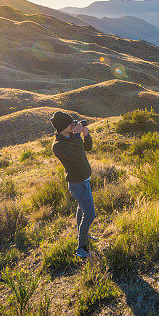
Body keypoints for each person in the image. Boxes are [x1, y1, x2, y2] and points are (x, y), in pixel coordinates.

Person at [50, 111, 95, 259]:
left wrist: (85, 135)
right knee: (90, 214)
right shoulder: (58, 145)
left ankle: (83, 236)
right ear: (63, 127)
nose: (73, 125)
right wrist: (76, 136)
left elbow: (87, 149)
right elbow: (76, 156)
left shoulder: (70, 137)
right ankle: (81, 248)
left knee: (82, 210)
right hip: (77, 183)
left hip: (85, 179)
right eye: (70, 123)